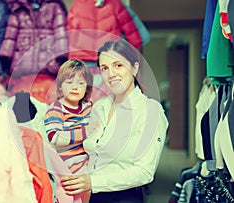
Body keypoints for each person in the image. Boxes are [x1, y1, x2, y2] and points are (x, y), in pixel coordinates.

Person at [60, 39, 169, 203]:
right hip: (92, 196)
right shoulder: (99, 107)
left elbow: (144, 172)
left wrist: (93, 182)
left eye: (118, 65)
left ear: (134, 68)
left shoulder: (150, 111)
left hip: (125, 198)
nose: (111, 74)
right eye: (105, 68)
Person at [44, 59, 99, 202]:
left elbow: (98, 128)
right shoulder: (55, 109)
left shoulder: (89, 107)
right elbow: (55, 138)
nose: (75, 87)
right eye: (69, 82)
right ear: (60, 87)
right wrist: (85, 132)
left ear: (87, 88)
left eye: (80, 83)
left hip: (88, 160)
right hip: (65, 163)